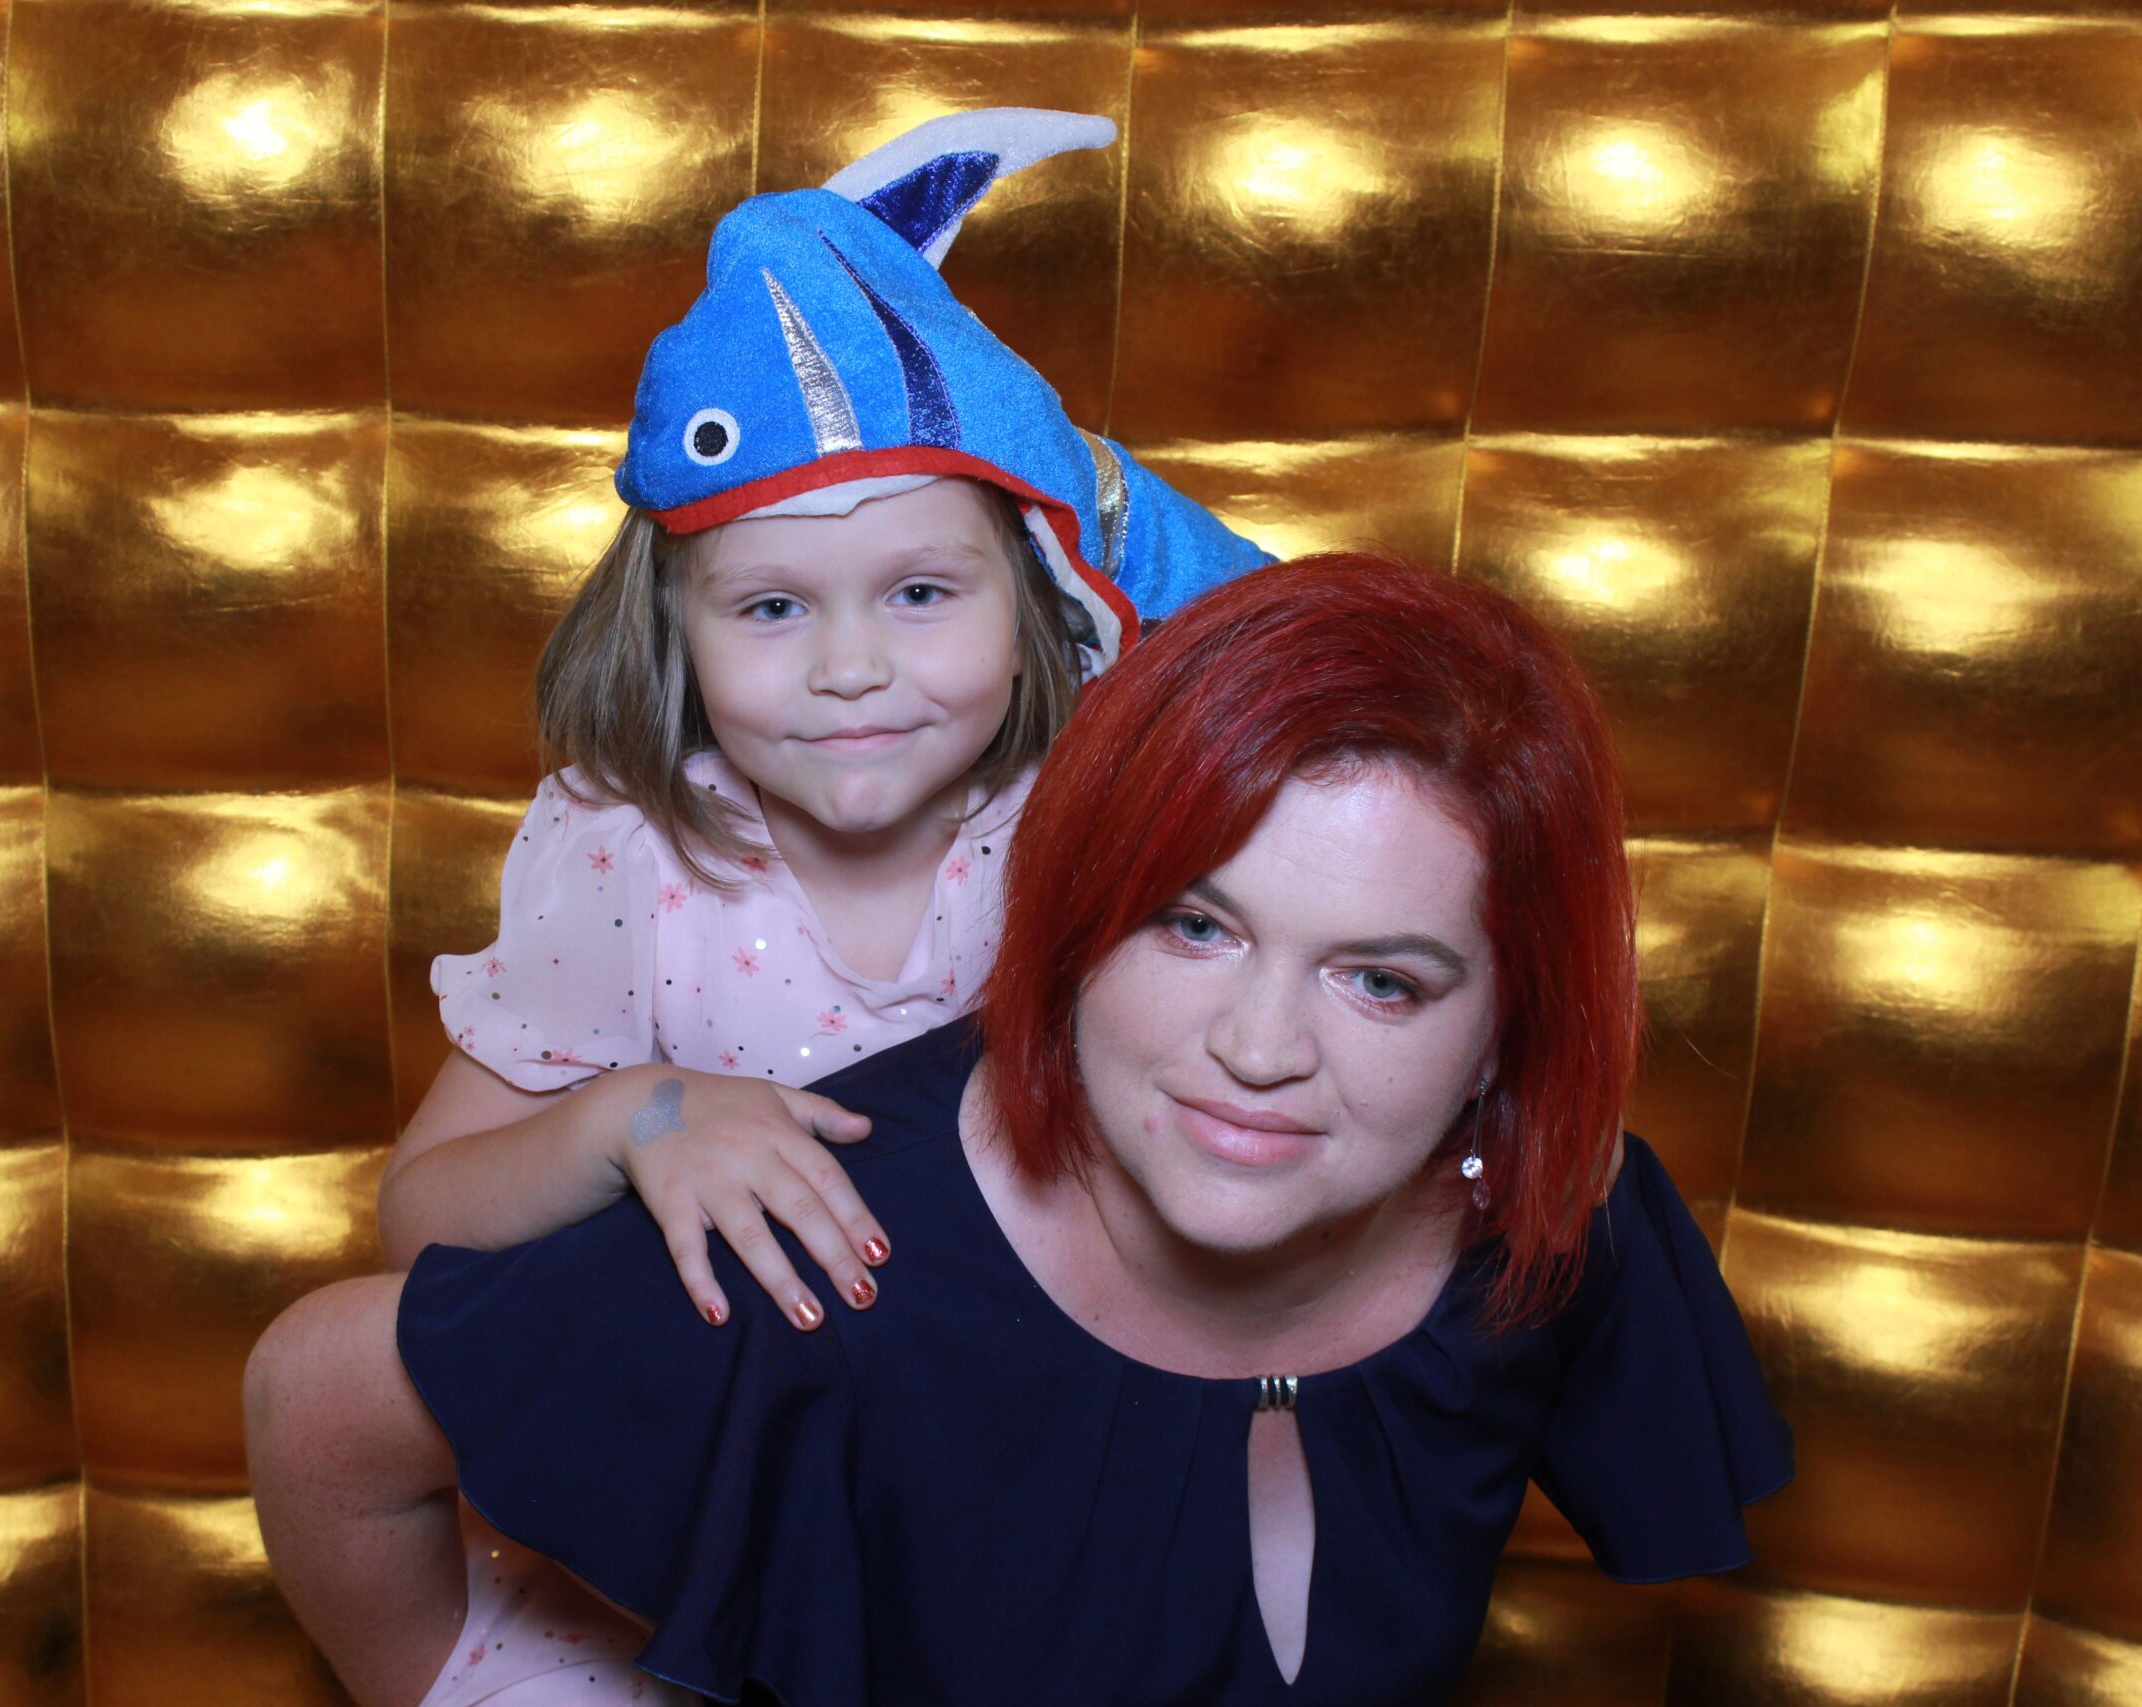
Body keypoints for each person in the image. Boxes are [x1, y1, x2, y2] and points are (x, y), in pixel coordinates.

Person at [247, 552, 1796, 1705]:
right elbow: (321, 1397)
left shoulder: (1560, 1215)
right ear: (1073, 925)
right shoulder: (836, 1257)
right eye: (1193, 926)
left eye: (1382, 981)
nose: (1259, 1051)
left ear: (1509, 1034)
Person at [358, 108, 1266, 1705]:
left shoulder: (1104, 836)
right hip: (698, 1523)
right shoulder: (626, 854)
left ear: (1036, 598)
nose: (850, 668)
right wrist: (632, 1119)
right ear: (677, 628)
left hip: (1022, 1524)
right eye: (773, 607)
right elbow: (416, 1223)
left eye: (920, 593)